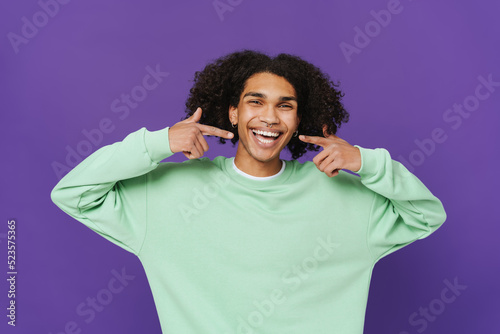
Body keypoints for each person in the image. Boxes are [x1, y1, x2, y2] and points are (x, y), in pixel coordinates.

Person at [51, 49, 446, 334]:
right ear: (234, 112)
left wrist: (367, 161)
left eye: (285, 106)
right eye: (255, 101)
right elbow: (74, 193)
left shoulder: (343, 196)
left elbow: (427, 215)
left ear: (298, 118)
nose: (269, 117)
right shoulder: (169, 194)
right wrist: (158, 143)